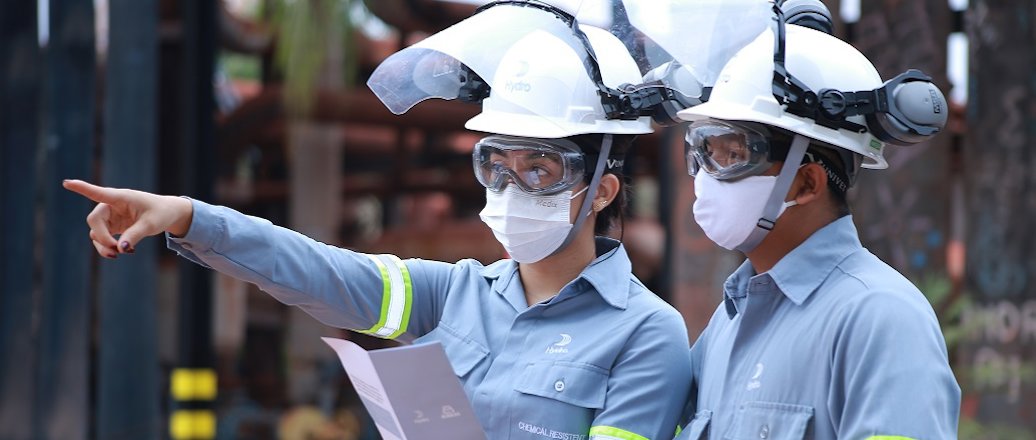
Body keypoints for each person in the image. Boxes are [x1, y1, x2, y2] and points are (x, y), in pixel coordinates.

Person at [66, 3, 691, 439]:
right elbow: (317, 270)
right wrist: (187, 217)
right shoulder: (454, 294)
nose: (510, 186)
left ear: (603, 190)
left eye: (541, 168)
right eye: (494, 163)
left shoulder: (646, 336)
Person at [672, 6, 960, 440]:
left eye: (735, 154)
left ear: (806, 183)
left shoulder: (879, 317)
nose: (709, 176)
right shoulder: (731, 320)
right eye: (706, 151)